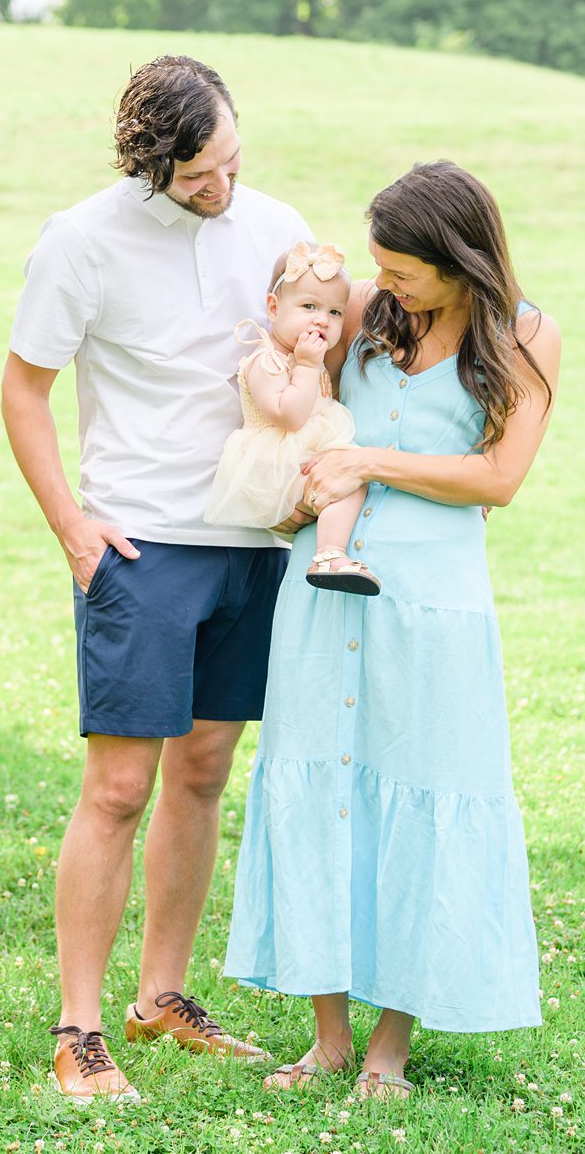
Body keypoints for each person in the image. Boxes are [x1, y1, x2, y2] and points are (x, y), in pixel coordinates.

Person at [1, 55, 311, 1103]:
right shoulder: (82, 240)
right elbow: (23, 390)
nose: (219, 188)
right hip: (141, 545)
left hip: (254, 541)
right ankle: (79, 1028)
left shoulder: (278, 226)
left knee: (205, 770)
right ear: (149, 167)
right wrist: (73, 530)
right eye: (197, 178)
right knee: (121, 784)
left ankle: (162, 997)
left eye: (229, 162)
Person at [222, 160, 561, 1099]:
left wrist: (370, 456)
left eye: (405, 269)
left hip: (434, 598)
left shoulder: (526, 335)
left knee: (419, 793)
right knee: (322, 787)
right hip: (324, 586)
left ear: (459, 259)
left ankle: (388, 1049)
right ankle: (329, 1038)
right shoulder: (368, 307)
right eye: (380, 265)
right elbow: (295, 384)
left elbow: (497, 478)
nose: (389, 283)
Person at [201, 241, 379, 594]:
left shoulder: (306, 361)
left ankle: (331, 551)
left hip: (301, 456)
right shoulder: (265, 361)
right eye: (309, 306)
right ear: (274, 307)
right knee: (346, 484)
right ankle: (329, 555)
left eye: (335, 313)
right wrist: (310, 365)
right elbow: (290, 417)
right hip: (276, 463)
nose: (321, 320)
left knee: (351, 481)